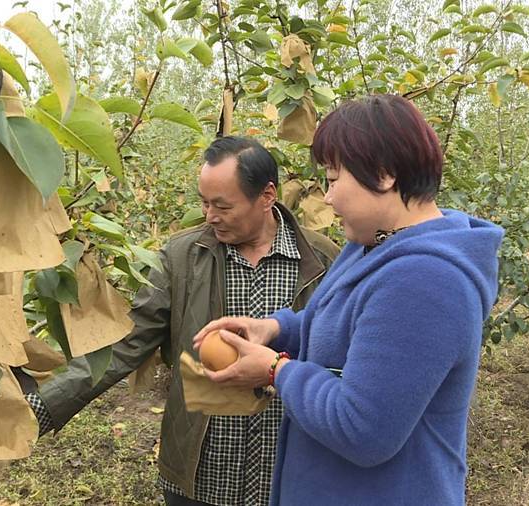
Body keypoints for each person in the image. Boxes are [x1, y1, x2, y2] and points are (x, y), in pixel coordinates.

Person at [193, 95, 504, 505]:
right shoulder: (374, 244)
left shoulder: (426, 280)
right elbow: (343, 323)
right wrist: (275, 328)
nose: (327, 197)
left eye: (335, 178)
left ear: (385, 173)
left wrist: (275, 371)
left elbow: (363, 428)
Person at [24, 136, 340, 506]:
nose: (209, 216)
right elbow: (126, 343)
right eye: (204, 203)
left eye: (222, 205)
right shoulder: (182, 256)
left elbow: (342, 356)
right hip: (202, 474)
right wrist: (36, 409)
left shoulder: (322, 260)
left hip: (288, 474)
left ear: (267, 196)